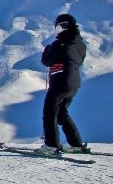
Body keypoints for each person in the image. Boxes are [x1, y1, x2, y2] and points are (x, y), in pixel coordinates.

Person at [38, 14, 90, 154]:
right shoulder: (80, 44)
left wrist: (47, 50)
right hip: (73, 82)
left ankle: (51, 145)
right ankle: (75, 143)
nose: (58, 31)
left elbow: (46, 61)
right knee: (61, 112)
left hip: (60, 81)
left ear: (65, 26)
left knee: (50, 112)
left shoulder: (60, 43)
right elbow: (77, 60)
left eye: (59, 27)